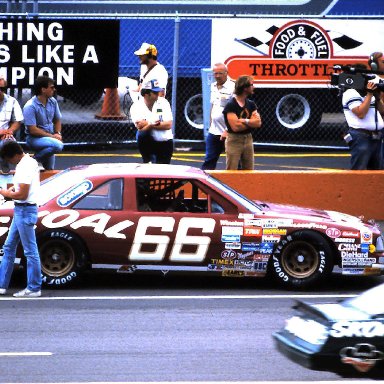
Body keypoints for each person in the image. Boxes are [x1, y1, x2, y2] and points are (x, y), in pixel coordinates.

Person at [0, 141, 41, 297]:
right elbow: (21, 189)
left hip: (25, 210)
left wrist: (5, 193)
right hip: (22, 210)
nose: (9, 163)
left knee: (30, 251)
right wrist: (11, 190)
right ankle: (2, 285)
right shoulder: (27, 162)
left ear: (15, 155)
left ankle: (34, 288)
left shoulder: (24, 166)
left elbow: (22, 195)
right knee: (9, 247)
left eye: (9, 160)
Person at [342, 62, 384, 170]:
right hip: (361, 137)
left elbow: (382, 110)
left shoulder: (367, 94)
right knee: (359, 171)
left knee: (378, 171)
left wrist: (377, 96)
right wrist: (369, 94)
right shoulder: (350, 93)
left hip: (377, 137)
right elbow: (361, 113)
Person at [23, 76, 64, 170]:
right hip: (34, 139)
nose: (54, 89)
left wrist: (58, 133)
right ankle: (34, 160)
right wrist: (53, 137)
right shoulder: (30, 106)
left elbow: (57, 120)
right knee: (58, 145)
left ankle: (37, 161)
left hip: (49, 139)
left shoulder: (53, 102)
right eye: (52, 87)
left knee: (49, 170)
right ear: (43, 90)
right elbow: (32, 130)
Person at [129, 79, 173, 164]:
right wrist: (153, 124)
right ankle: (148, 160)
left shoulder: (164, 103)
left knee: (164, 170)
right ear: (146, 94)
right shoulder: (136, 106)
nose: (158, 95)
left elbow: (168, 125)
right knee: (141, 134)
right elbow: (140, 128)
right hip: (150, 142)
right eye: (155, 93)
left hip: (165, 141)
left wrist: (149, 124)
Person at [222, 75, 262, 170]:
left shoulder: (251, 104)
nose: (254, 87)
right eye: (252, 85)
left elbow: (258, 123)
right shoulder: (231, 105)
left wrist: (244, 121)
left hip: (248, 139)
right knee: (232, 169)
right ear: (245, 88)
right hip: (234, 140)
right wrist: (251, 123)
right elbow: (235, 127)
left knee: (249, 170)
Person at [201, 63, 235, 170]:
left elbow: (237, 110)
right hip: (214, 132)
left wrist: (228, 130)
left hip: (228, 133)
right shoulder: (213, 86)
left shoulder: (233, 87)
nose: (217, 76)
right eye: (215, 73)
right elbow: (213, 105)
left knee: (233, 162)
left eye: (220, 73)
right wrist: (211, 123)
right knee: (209, 160)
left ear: (226, 73)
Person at [0, 77, 24, 174]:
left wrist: (10, 131)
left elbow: (18, 120)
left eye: (2, 89)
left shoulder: (12, 101)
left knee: (10, 144)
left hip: (4, 136)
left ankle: (8, 172)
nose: (0, 91)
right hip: (2, 133)